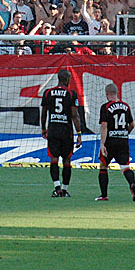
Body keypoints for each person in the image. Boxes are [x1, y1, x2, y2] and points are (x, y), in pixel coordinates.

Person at [40, 69, 82, 198]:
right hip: (66, 132)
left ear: (58, 78)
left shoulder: (48, 93)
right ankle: (64, 190)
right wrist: (79, 133)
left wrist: (43, 128)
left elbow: (44, 113)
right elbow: (75, 115)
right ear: (68, 79)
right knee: (67, 160)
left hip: (53, 130)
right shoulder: (71, 94)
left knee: (54, 159)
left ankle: (56, 188)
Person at [96, 84, 135, 202]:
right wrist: (125, 133)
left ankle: (104, 195)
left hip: (110, 141)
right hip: (122, 141)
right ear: (117, 92)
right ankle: (132, 184)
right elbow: (132, 125)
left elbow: (104, 126)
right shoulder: (126, 106)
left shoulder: (105, 107)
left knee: (103, 166)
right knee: (125, 167)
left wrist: (102, 144)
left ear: (106, 94)